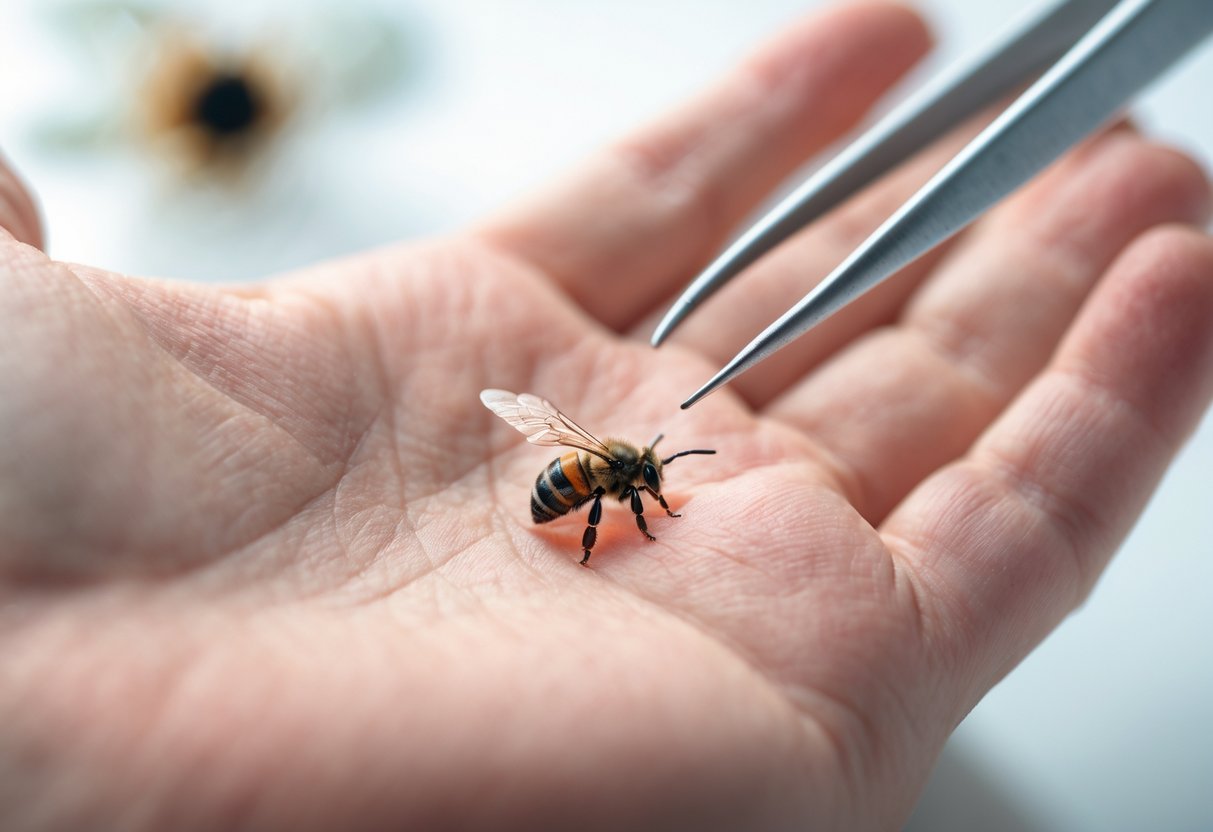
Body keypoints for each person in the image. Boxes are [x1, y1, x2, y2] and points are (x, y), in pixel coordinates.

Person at [2, 1, 1211, 829]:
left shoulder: (600, 463)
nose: (641, 489)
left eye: (629, 488)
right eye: (633, 486)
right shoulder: (616, 480)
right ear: (616, 477)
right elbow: (618, 490)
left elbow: (591, 467)